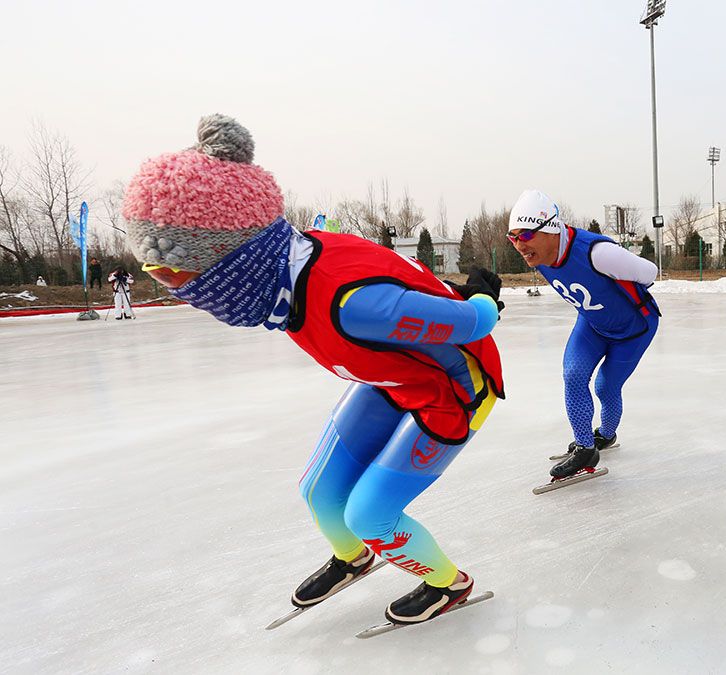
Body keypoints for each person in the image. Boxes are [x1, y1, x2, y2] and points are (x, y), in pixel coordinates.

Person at [123, 114, 505, 626]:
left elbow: (471, 323)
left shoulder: (353, 305)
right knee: (320, 493)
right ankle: (355, 558)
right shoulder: (284, 275)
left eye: (173, 270)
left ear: (232, 254)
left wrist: (481, 296)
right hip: (387, 377)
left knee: (369, 514)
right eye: (155, 271)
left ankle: (446, 583)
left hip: (452, 390)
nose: (176, 288)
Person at [507, 189, 660, 480]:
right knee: (573, 375)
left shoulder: (598, 254)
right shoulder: (539, 255)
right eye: (512, 237)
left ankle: (606, 433)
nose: (518, 245)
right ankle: (585, 448)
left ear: (551, 230)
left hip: (633, 330)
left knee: (605, 387)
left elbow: (650, 272)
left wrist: (624, 296)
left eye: (525, 235)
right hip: (592, 324)